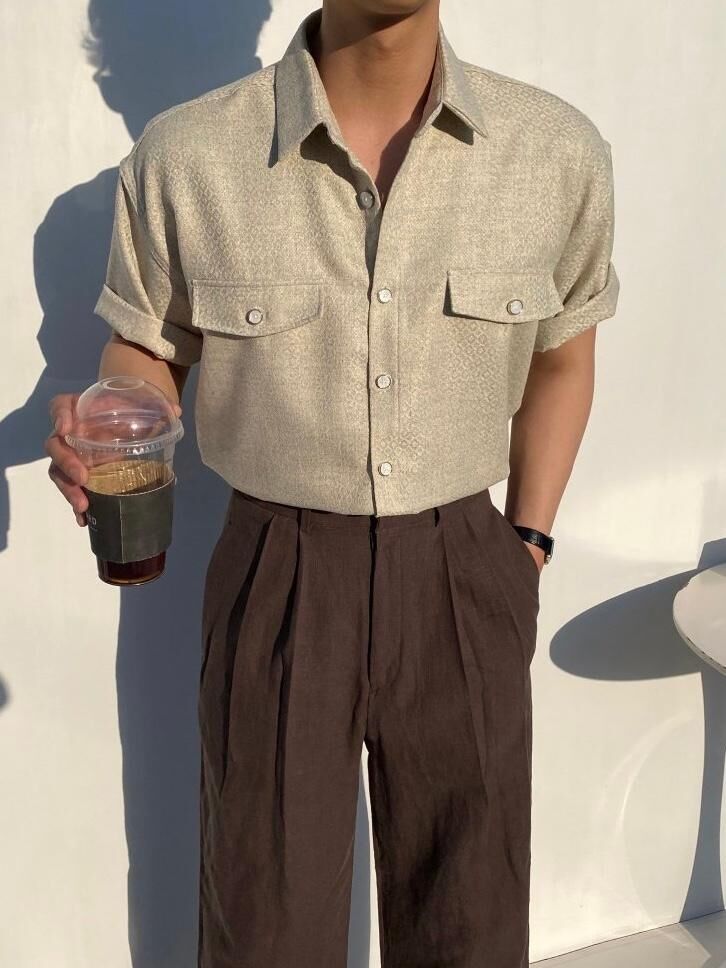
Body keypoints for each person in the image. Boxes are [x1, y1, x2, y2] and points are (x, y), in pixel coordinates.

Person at [45, 1, 620, 965]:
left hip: (465, 568)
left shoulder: (553, 152)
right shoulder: (186, 158)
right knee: (264, 919)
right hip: (276, 571)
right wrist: (112, 416)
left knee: (473, 919)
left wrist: (526, 544)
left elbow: (564, 358)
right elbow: (147, 347)